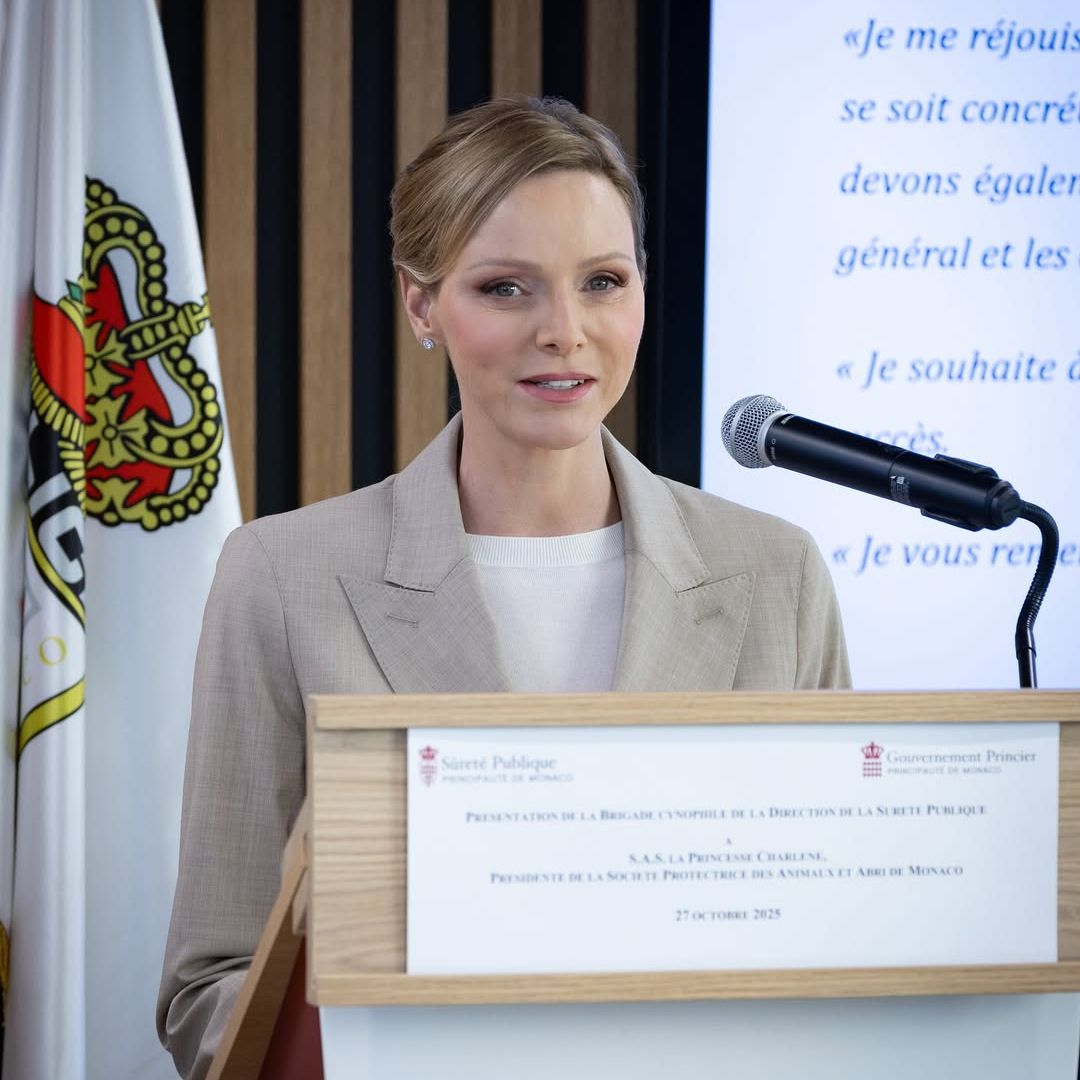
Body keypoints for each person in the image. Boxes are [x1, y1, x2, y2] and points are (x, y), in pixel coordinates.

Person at [156, 96, 849, 1078]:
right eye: (507, 288)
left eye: (603, 281)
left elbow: (836, 950)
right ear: (421, 304)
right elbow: (209, 994)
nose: (565, 332)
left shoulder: (778, 576)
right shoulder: (280, 577)